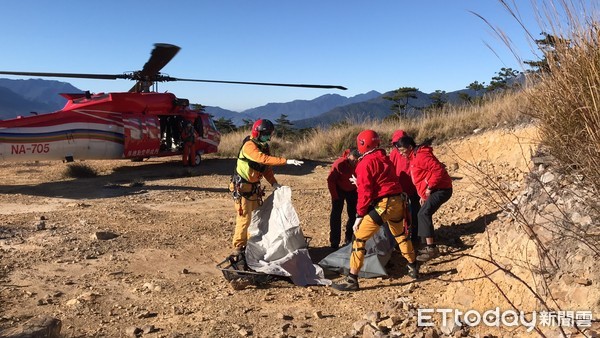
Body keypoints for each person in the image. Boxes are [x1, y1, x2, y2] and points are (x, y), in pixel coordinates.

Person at [332, 130, 418, 292]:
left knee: (359, 238)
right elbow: (380, 182)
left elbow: (365, 193)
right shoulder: (385, 158)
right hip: (398, 202)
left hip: (384, 205)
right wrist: (361, 183)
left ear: (363, 144)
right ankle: (413, 267)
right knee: (400, 236)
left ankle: (352, 279)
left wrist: (359, 216)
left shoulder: (365, 163)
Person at [229, 119, 304, 255]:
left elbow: (265, 168)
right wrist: (286, 161)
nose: (268, 137)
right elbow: (263, 159)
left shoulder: (263, 146)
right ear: (257, 133)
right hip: (243, 187)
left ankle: (252, 244)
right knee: (245, 218)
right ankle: (239, 248)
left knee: (258, 217)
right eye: (266, 134)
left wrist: (273, 183)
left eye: (269, 134)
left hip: (253, 188)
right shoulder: (249, 146)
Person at [395, 135, 453, 262]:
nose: (401, 154)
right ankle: (426, 245)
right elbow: (421, 178)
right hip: (436, 189)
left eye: (403, 151)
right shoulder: (414, 156)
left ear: (410, 147)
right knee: (422, 213)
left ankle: (431, 248)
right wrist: (422, 195)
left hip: (442, 189)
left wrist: (430, 188)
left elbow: (438, 170)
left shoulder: (421, 156)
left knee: (423, 213)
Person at [389, 130, 421, 249]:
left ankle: (413, 236)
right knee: (404, 214)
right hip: (403, 188)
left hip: (412, 187)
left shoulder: (410, 151)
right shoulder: (396, 153)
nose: (397, 146)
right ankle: (405, 238)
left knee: (413, 212)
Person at [326, 148, 360, 249]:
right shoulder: (339, 163)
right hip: (339, 189)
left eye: (356, 160)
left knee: (353, 215)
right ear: (348, 156)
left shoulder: (361, 163)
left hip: (353, 190)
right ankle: (334, 242)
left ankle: (349, 238)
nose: (354, 162)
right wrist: (335, 196)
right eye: (353, 160)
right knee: (336, 215)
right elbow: (331, 180)